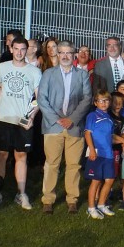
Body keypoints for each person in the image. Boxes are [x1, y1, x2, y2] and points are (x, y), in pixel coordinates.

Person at [37, 40, 93, 213]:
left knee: (73, 165)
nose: (65, 56)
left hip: (74, 126)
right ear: (57, 54)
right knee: (52, 164)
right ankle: (48, 199)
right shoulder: (48, 74)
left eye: (69, 52)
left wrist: (72, 119)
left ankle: (72, 199)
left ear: (74, 54)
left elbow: (87, 99)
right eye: (62, 52)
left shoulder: (82, 75)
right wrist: (56, 119)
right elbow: (42, 99)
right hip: (53, 126)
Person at [0, 36, 42, 210]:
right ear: (11, 49)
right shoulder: (3, 67)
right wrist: (7, 99)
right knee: (1, 156)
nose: (20, 52)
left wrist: (31, 117)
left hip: (23, 121)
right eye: (16, 49)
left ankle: (21, 194)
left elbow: (38, 98)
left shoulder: (35, 71)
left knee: (21, 156)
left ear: (27, 50)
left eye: (23, 49)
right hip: (4, 118)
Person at [84, 91, 117, 219]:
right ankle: (91, 208)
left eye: (106, 100)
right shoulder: (92, 115)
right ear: (95, 103)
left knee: (110, 179)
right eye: (101, 100)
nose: (104, 103)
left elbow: (111, 137)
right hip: (97, 153)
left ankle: (102, 204)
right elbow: (87, 133)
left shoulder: (109, 118)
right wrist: (92, 150)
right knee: (96, 181)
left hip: (108, 153)